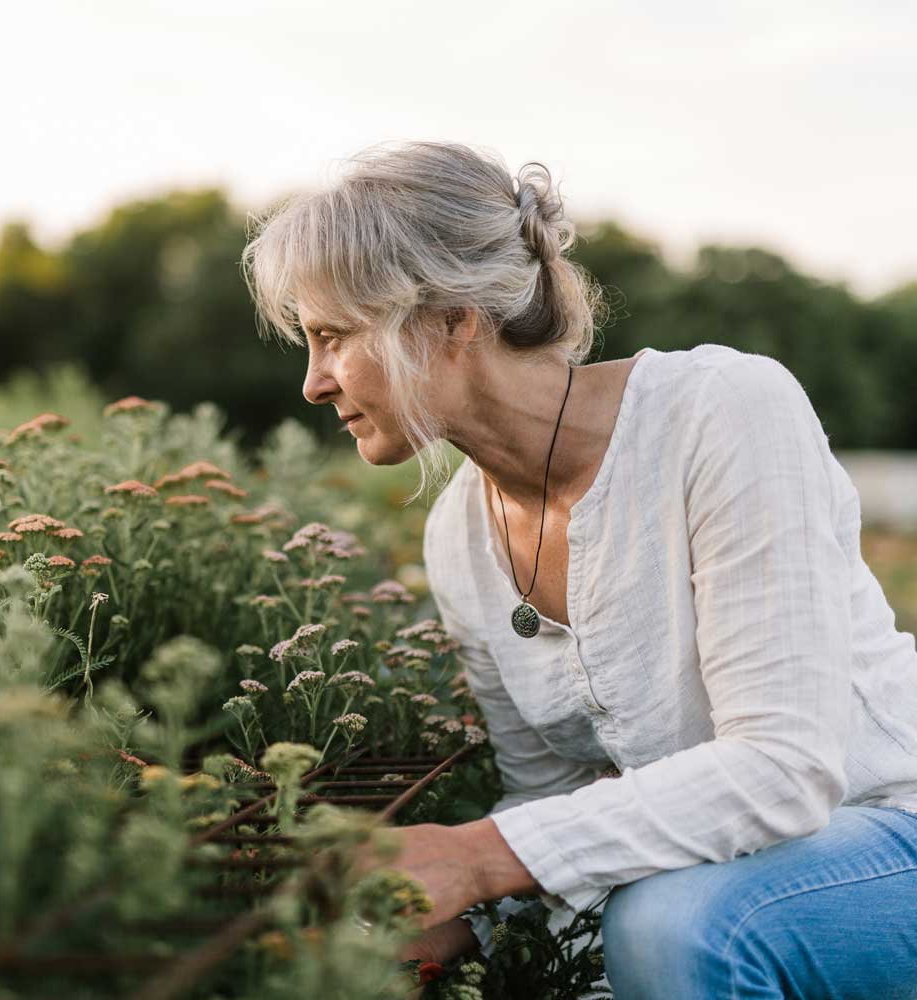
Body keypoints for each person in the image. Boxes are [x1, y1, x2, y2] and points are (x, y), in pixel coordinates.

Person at [242, 140, 917, 998]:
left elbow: (784, 768)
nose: (313, 382)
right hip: (720, 873)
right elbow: (550, 797)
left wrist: (476, 860)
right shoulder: (460, 536)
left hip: (891, 825)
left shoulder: (722, 411)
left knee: (675, 926)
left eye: (333, 337)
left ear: (453, 318)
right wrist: (450, 917)